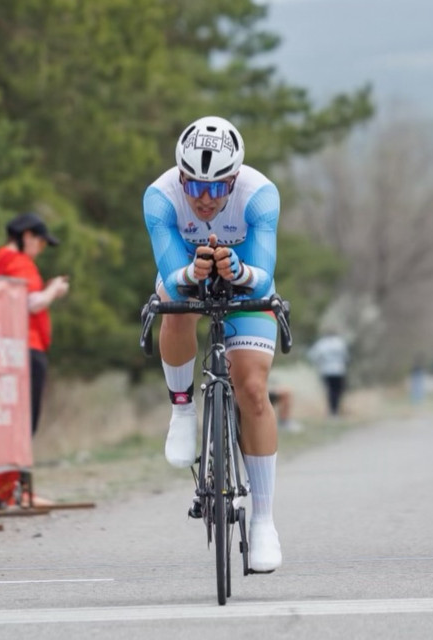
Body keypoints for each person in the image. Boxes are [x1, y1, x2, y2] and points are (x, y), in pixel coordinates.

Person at [143, 115, 283, 573]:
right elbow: (168, 274)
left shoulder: (260, 195)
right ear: (180, 176)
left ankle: (263, 521)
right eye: (194, 186)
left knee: (253, 391)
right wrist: (191, 274)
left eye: (217, 188)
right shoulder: (161, 197)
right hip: (186, 276)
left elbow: (263, 272)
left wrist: (237, 272)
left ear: (235, 179)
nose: (204, 199)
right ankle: (182, 409)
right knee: (171, 300)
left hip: (245, 284)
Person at [0, 212, 69, 435]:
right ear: (27, 236)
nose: (41, 248)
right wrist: (54, 289)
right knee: (27, 417)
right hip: (27, 347)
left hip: (3, 346)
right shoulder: (19, 262)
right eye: (41, 242)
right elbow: (33, 303)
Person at [307, 330, 350, 417]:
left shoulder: (322, 343)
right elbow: (346, 357)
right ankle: (336, 410)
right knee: (338, 391)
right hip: (339, 370)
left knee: (330, 391)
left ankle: (332, 411)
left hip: (326, 370)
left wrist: (319, 364)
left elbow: (313, 355)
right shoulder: (340, 342)